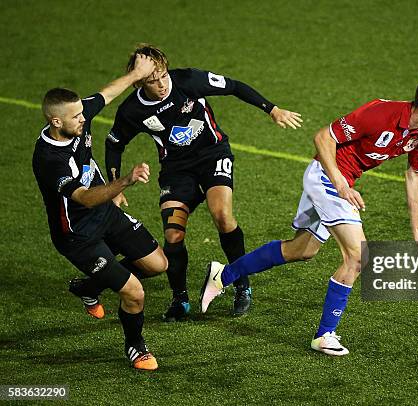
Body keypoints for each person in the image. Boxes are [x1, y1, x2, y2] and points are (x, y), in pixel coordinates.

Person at [200, 75, 418, 356]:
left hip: (341, 181)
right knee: (359, 256)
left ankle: (223, 275)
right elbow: (323, 137)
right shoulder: (380, 113)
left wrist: (417, 228)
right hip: (326, 175)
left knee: (301, 250)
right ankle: (324, 334)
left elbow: (415, 175)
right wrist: (341, 184)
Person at [105, 44, 303, 320]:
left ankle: (242, 285)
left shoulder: (188, 80)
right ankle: (180, 299)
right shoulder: (132, 110)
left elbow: (233, 86)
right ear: (139, 81)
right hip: (176, 171)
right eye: (152, 80)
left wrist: (272, 109)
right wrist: (115, 186)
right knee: (173, 235)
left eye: (162, 75)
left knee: (222, 215)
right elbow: (114, 143)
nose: (161, 84)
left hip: (213, 156)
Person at [32, 54, 168, 371]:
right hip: (79, 235)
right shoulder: (49, 161)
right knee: (134, 292)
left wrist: (137, 74)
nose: (84, 118)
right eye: (77, 116)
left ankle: (89, 286)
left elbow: (107, 93)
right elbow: (84, 199)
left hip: (105, 212)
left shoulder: (78, 119)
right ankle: (136, 347)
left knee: (157, 263)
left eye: (83, 113)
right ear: (56, 122)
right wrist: (124, 183)